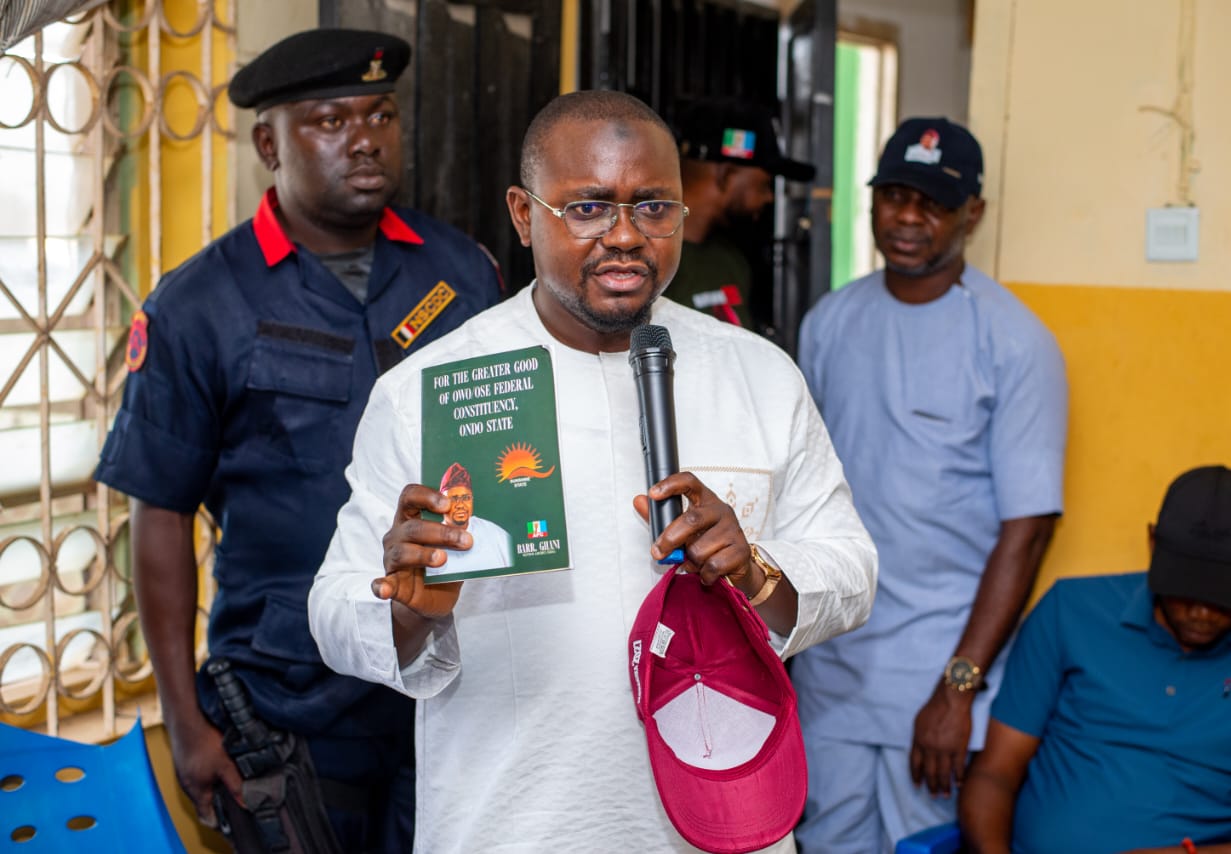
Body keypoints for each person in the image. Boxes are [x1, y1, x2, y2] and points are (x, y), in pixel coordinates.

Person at [307, 89, 879, 852]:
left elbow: (853, 571)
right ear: (523, 215)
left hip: (723, 828)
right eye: (587, 209)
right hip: (513, 830)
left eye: (653, 208)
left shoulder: (759, 374)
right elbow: (334, 615)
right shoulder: (430, 390)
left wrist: (756, 570)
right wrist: (412, 609)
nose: (626, 236)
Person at [93, 28, 502, 850]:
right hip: (290, 696)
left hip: (449, 675)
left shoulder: (463, 273)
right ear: (268, 145)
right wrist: (182, 719)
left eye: (380, 114)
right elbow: (160, 512)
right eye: (329, 120)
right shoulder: (199, 304)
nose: (365, 138)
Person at [788, 117, 1068, 852]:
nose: (908, 218)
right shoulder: (830, 322)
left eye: (934, 203)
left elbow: (1029, 529)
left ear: (973, 214)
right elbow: (800, 491)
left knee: (924, 846)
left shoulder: (1014, 343)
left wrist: (957, 688)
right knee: (826, 842)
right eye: (895, 196)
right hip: (835, 665)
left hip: (937, 675)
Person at [959, 465, 1231, 854]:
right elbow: (994, 774)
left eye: (1223, 598)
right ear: (1152, 543)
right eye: (1185, 590)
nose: (1201, 613)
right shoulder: (1070, 612)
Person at [663, 98, 814, 330]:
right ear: (726, 175)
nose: (769, 197)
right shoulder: (649, 260)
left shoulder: (730, 260)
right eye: (765, 185)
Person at [431, 461, 514, 574]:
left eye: (466, 498)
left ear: (472, 500)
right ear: (441, 503)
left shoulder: (493, 533)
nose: (460, 505)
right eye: (453, 499)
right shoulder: (432, 545)